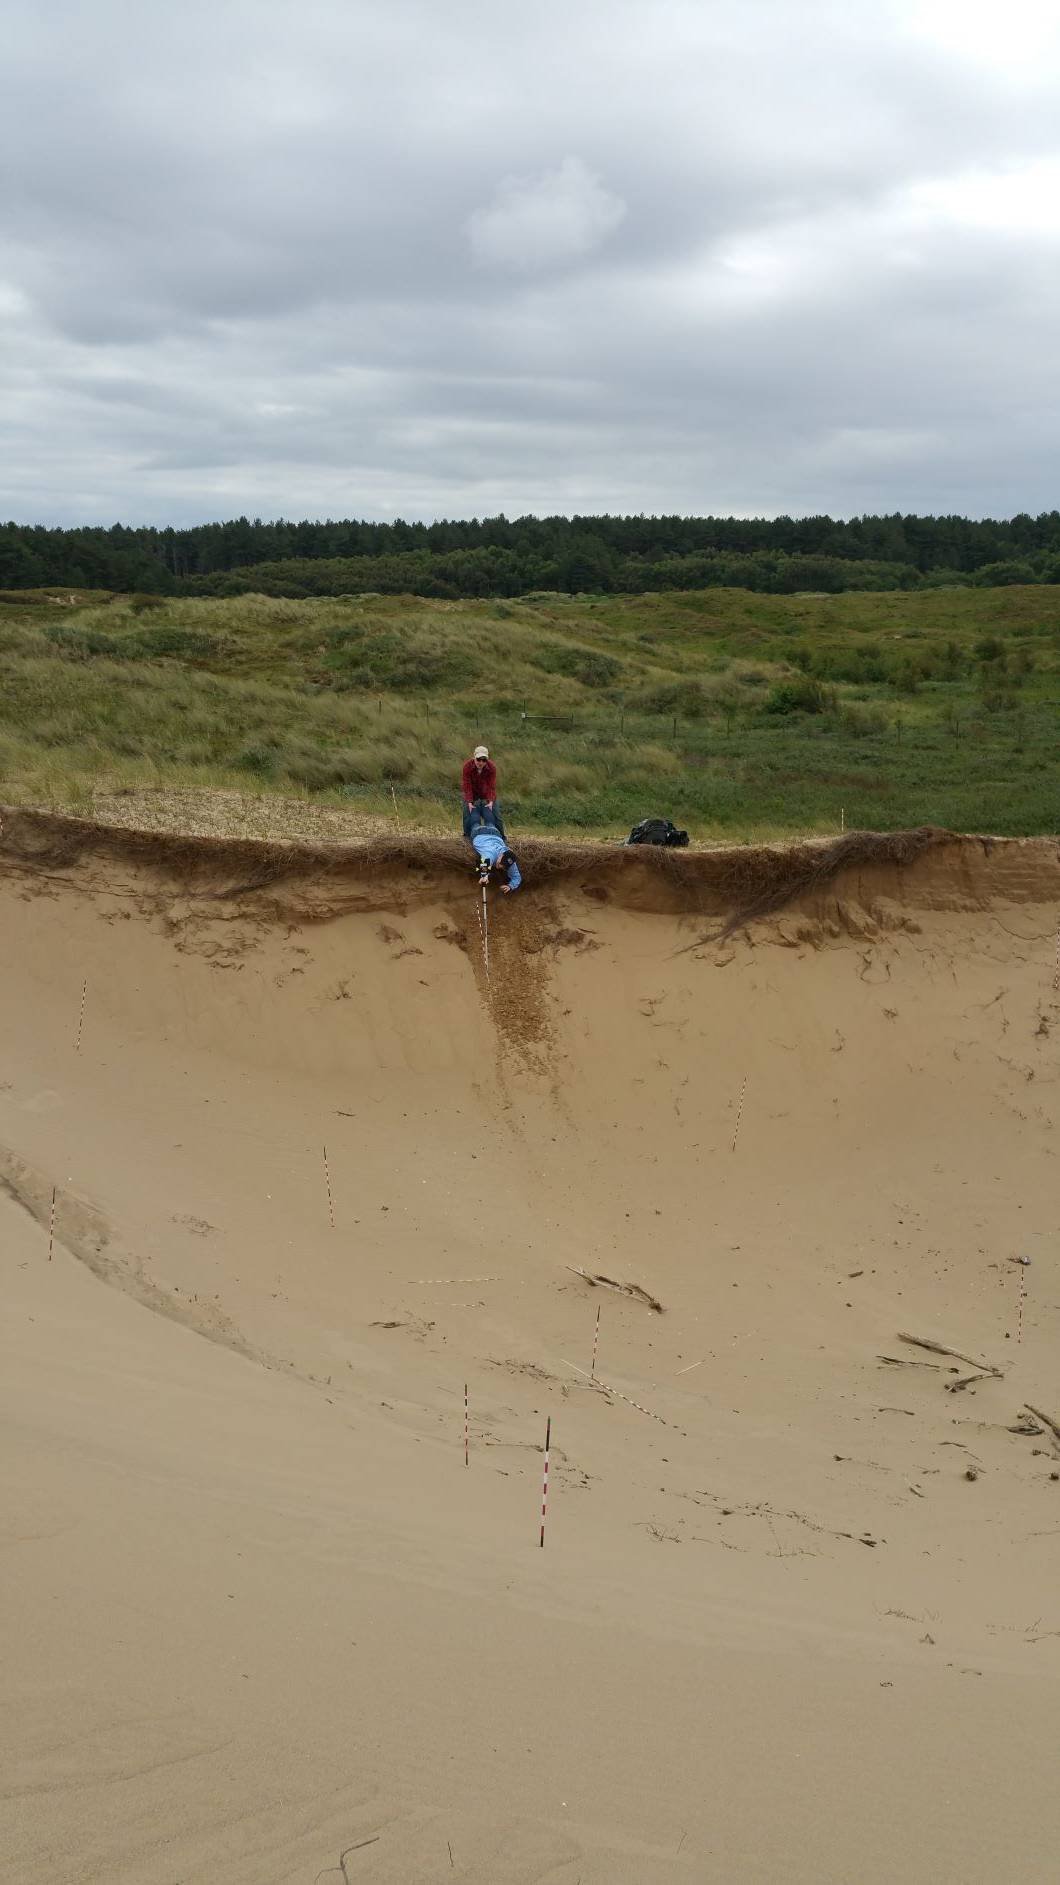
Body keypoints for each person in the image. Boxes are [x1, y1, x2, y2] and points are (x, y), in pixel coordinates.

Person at [468, 806, 521, 893]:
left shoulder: (510, 861)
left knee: (490, 822)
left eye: (504, 866)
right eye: (501, 863)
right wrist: (484, 876)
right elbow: (484, 862)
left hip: (495, 833)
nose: (500, 866)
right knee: (475, 823)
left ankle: (485, 805)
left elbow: (517, 877)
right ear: (501, 855)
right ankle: (475, 806)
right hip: (479, 833)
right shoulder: (490, 854)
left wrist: (510, 886)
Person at [462, 744, 507, 840]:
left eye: (484, 760)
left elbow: (492, 786)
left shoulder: (492, 768)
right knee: (467, 813)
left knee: (496, 815)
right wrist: (469, 801)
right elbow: (467, 785)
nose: (481, 762)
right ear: (474, 757)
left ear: (487, 760)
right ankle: (467, 836)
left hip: (487, 793)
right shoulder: (467, 767)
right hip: (472, 793)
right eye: (478, 759)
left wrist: (490, 801)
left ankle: (502, 837)